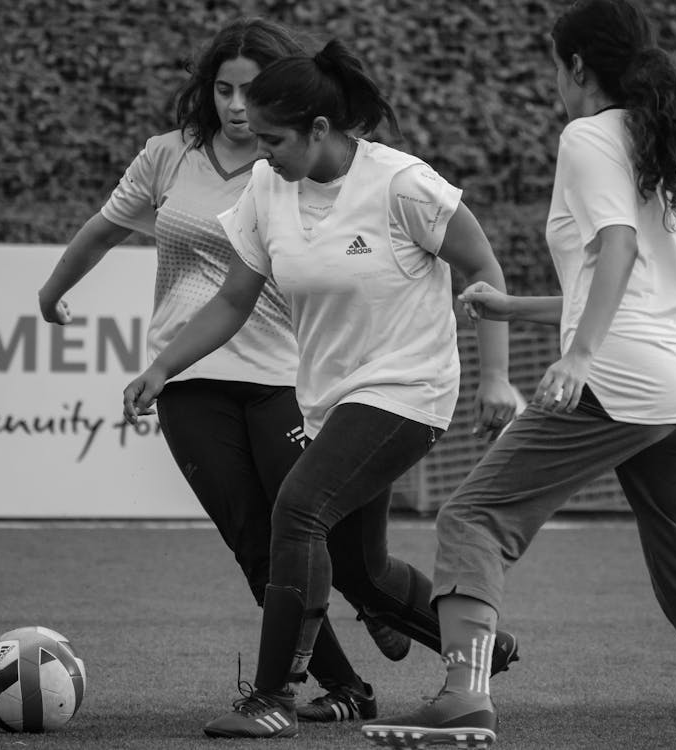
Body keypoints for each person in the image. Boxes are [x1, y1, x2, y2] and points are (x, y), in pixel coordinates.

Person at [122, 38, 521, 740]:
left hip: (410, 392)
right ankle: (481, 648)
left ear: (321, 130)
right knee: (362, 574)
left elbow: (483, 267)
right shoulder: (269, 189)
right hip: (332, 402)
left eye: (274, 136)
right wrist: (164, 366)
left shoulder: (403, 183)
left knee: (297, 510)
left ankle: (274, 696)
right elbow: (233, 298)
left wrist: (495, 376)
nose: (260, 147)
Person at [37, 17, 401, 724]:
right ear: (206, 89)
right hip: (190, 380)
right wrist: (53, 291)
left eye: (250, 93)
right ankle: (344, 688)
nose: (236, 107)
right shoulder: (166, 157)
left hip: (285, 374)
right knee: (256, 543)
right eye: (223, 90)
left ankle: (377, 601)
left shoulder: (297, 161)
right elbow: (106, 226)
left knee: (310, 528)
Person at [362, 0, 676, 747]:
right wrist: (515, 308)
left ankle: (464, 696)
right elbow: (646, 281)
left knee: (474, 515)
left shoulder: (588, 134)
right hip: (674, 383)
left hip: (617, 379)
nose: (553, 85)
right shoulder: (660, 140)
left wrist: (577, 357)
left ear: (575, 67)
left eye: (553, 67)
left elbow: (617, 249)